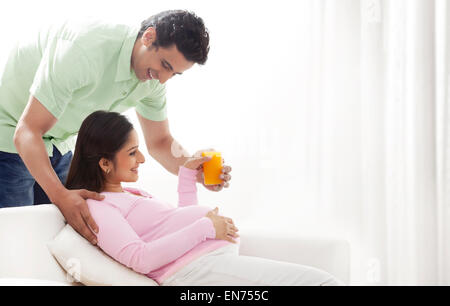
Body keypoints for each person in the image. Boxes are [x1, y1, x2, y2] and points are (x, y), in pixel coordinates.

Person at [0, 10, 232, 246]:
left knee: (61, 238)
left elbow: (160, 142)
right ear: (149, 37)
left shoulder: (153, 80)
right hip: (10, 134)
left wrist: (192, 167)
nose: (163, 80)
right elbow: (27, 130)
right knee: (17, 240)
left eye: (174, 73)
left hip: (60, 143)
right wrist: (59, 195)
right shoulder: (84, 49)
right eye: (164, 65)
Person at [65, 110, 343, 286]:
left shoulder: (129, 193)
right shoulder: (99, 207)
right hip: (194, 274)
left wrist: (187, 177)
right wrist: (207, 228)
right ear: (104, 163)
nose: (142, 158)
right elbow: (140, 258)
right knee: (322, 283)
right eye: (132, 152)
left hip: (210, 264)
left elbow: (178, 222)